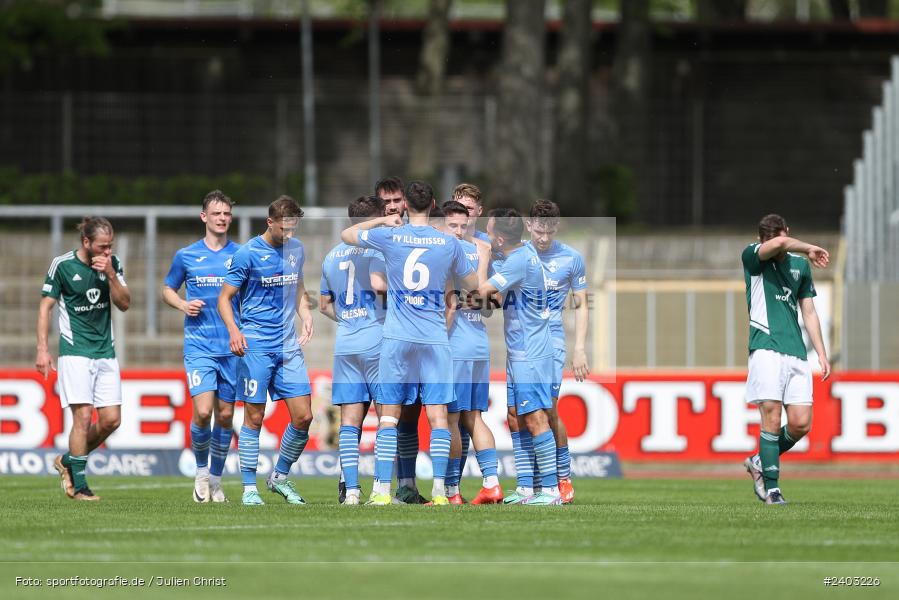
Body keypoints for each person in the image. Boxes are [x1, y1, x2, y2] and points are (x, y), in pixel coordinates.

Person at [341, 180, 479, 506]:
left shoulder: (389, 236)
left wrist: (380, 220)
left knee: (389, 414)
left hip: (397, 337)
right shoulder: (448, 242)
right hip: (433, 338)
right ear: (434, 206)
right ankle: (441, 493)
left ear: (404, 206)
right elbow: (473, 283)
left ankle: (379, 491)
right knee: (439, 417)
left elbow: (347, 236)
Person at [218, 196, 315, 506]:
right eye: (285, 229)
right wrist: (235, 331)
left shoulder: (296, 250)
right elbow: (224, 298)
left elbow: (297, 285)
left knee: (304, 417)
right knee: (254, 418)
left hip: (288, 346)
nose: (289, 235)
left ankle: (279, 477)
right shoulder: (248, 254)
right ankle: (249, 487)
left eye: (294, 229)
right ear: (270, 222)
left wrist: (306, 313)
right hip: (256, 345)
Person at [38, 216, 131, 502]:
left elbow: (125, 304)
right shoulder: (63, 265)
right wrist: (42, 348)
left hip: (106, 352)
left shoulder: (112, 265)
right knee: (83, 416)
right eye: (102, 247)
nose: (106, 252)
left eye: (110, 246)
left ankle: (68, 460)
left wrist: (111, 275)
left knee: (111, 420)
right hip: (75, 352)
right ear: (86, 242)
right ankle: (79, 486)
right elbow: (46, 307)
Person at [741, 214, 830, 505]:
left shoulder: (800, 266)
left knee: (801, 423)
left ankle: (758, 461)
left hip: (795, 351)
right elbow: (778, 243)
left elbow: (809, 311)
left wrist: (821, 352)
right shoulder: (753, 257)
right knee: (771, 416)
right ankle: (773, 488)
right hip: (765, 347)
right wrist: (809, 246)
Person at [477, 208, 562, 506]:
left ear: (499, 239)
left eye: (488, 233)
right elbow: (500, 299)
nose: (486, 237)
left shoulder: (517, 261)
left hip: (531, 352)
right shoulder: (521, 255)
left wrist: (483, 258)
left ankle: (551, 490)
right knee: (515, 417)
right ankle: (526, 487)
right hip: (519, 351)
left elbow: (481, 292)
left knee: (535, 417)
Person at [162, 190, 241, 503]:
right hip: (199, 346)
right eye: (216, 213)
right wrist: (182, 304)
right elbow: (167, 288)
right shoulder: (187, 255)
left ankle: (217, 479)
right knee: (204, 411)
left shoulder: (241, 254)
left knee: (224, 416)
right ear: (204, 217)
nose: (222, 218)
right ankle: (200, 473)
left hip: (233, 347)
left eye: (226, 214)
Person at [320, 195, 387, 505]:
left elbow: (323, 305)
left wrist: (347, 317)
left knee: (349, 420)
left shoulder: (331, 256)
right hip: (376, 337)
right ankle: (381, 490)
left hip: (345, 342)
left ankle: (352, 492)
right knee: (387, 416)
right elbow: (379, 287)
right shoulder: (377, 250)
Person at [523, 200, 589, 504]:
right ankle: (532, 483)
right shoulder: (517, 253)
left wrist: (579, 349)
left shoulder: (571, 258)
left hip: (551, 341)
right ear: (528, 225)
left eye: (549, 232)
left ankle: (563, 479)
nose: (543, 238)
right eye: (539, 231)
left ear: (556, 227)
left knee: (549, 409)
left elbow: (581, 305)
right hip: (520, 343)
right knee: (520, 412)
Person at [441, 200, 502, 505]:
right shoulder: (480, 250)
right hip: (479, 344)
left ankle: (452, 492)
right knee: (474, 418)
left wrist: (438, 337)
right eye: (453, 225)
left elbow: (450, 303)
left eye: (461, 225)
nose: (458, 230)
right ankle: (491, 483)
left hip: (456, 347)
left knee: (451, 420)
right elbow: (495, 300)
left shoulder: (446, 250)